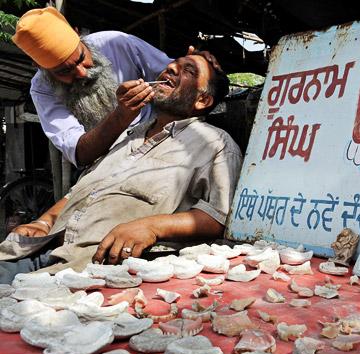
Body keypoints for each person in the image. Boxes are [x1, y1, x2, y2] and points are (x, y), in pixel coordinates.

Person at [0, 52, 242, 284]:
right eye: (174, 64)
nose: (171, 68)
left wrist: (152, 226)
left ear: (203, 100)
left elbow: (217, 216)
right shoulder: (128, 135)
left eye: (188, 70)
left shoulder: (215, 143)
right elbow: (82, 191)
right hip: (42, 250)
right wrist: (43, 222)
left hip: (85, 267)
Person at [12, 7, 173, 167]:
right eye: (65, 71)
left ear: (78, 33)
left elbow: (171, 75)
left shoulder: (117, 42)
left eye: (81, 57)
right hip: (107, 163)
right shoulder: (42, 89)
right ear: (39, 66)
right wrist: (121, 116)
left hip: (161, 135)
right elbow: (79, 153)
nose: (82, 73)